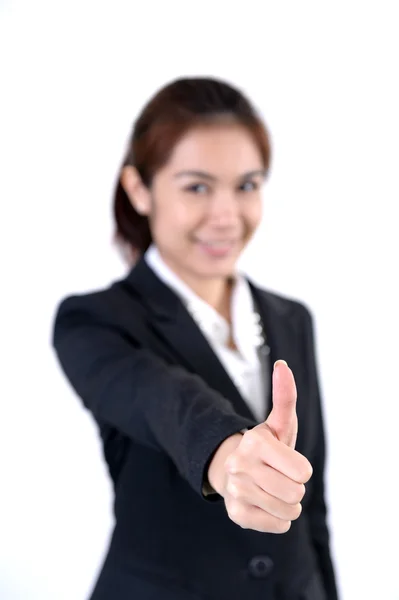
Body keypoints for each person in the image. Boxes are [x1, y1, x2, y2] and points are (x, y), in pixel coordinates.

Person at [52, 76, 339, 600]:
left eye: (247, 185)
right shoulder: (93, 320)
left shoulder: (291, 318)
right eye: (197, 187)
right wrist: (228, 454)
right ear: (139, 189)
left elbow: (311, 505)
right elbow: (159, 396)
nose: (227, 217)